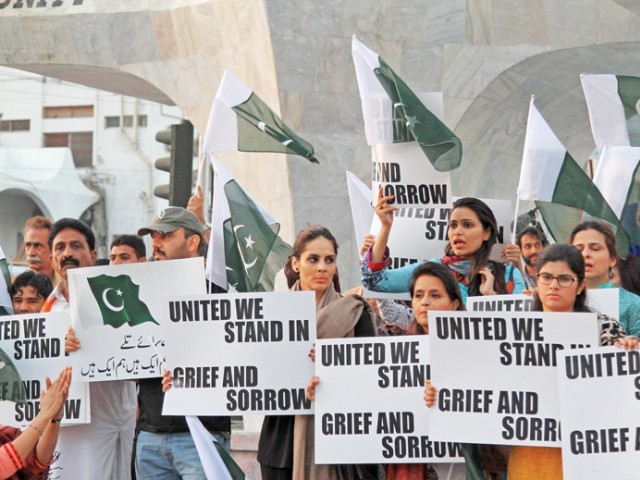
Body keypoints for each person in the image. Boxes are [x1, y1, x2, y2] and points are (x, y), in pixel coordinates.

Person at [425, 243, 636, 479]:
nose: (554, 285)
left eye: (564, 279)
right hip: (528, 461)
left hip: (587, 460)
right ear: (536, 281)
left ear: (580, 286)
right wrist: (443, 393)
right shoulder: (511, 331)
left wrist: (627, 350)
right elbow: (482, 388)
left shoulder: (603, 328)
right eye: (546, 277)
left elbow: (621, 391)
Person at [256, 226, 377, 480]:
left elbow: (371, 381)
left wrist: (331, 376)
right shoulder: (270, 314)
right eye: (313, 259)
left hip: (342, 449)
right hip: (282, 448)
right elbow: (243, 372)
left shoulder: (355, 313)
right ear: (296, 264)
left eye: (329, 260)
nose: (322, 267)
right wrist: (186, 381)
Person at [135, 206, 230, 479]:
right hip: (150, 435)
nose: (155, 243)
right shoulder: (140, 290)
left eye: (165, 236)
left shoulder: (218, 293)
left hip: (201, 435)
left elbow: (233, 360)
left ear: (192, 241)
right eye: (153, 236)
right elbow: (126, 363)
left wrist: (190, 373)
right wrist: (85, 346)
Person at [41, 218, 135, 480]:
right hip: (66, 423)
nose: (67, 253)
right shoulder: (48, 307)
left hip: (109, 420)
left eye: (76, 246)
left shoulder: (116, 298)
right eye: (60, 248)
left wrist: (90, 342)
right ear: (51, 257)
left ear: (92, 255)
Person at [362, 194, 525, 303]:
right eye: (453, 225)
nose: (457, 232)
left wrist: (490, 297)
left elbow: (524, 325)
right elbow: (375, 281)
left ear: (486, 233)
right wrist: (385, 227)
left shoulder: (508, 273)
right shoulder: (434, 269)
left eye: (467, 225)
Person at [570, 221, 640, 337]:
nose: (586, 254)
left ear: (612, 259)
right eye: (578, 250)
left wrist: (633, 344)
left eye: (595, 248)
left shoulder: (633, 304)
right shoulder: (557, 297)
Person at [0, 367, 72, 480]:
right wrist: (44, 415)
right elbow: (3, 464)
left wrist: (54, 417)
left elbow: (38, 461)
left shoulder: (3, 432)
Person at [22, 216, 55, 284]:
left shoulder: (64, 288)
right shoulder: (20, 287)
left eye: (38, 246)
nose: (31, 253)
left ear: (53, 249)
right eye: (28, 245)